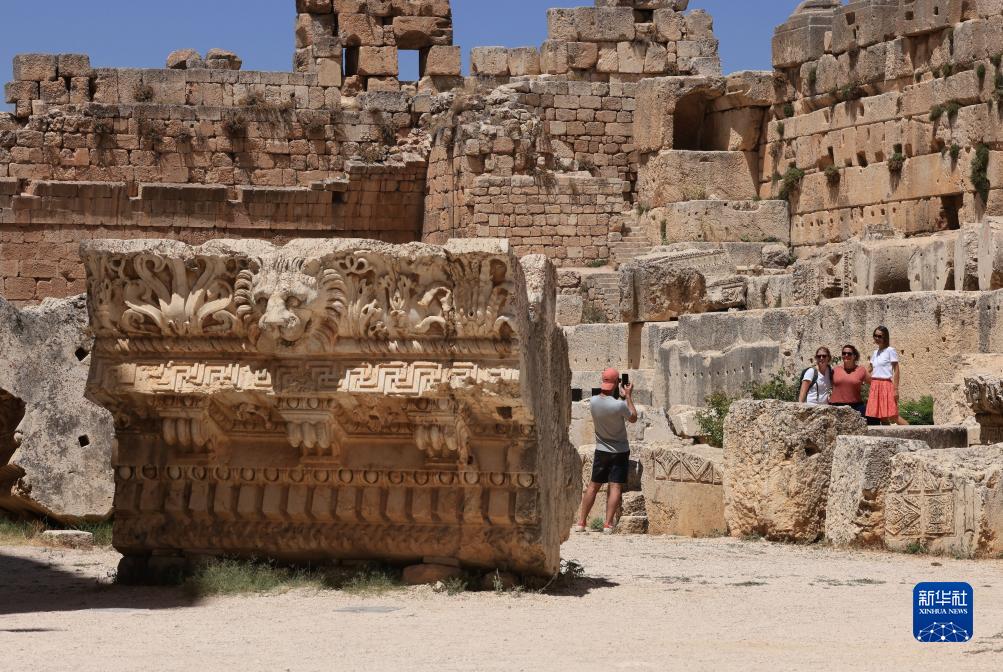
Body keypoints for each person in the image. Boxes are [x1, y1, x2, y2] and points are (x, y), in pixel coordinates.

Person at [573, 367, 638, 534]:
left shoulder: (593, 401)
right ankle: (608, 525)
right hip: (620, 450)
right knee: (615, 486)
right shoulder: (619, 405)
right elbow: (633, 417)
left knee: (593, 486)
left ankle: (581, 522)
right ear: (616, 383)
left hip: (601, 450)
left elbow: (606, 403)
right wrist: (628, 396)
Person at [867, 326, 909, 425]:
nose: (877, 338)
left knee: (893, 416)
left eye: (880, 336)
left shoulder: (890, 350)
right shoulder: (875, 353)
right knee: (882, 417)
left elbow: (896, 370)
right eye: (875, 335)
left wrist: (896, 389)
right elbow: (869, 369)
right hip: (875, 385)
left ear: (885, 337)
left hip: (886, 385)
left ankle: (914, 432)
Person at [831, 344, 871, 419]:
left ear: (854, 356)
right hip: (836, 407)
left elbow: (874, 384)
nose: (846, 355)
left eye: (849, 354)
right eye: (844, 353)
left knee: (872, 417)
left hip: (855, 407)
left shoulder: (861, 370)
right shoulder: (835, 370)